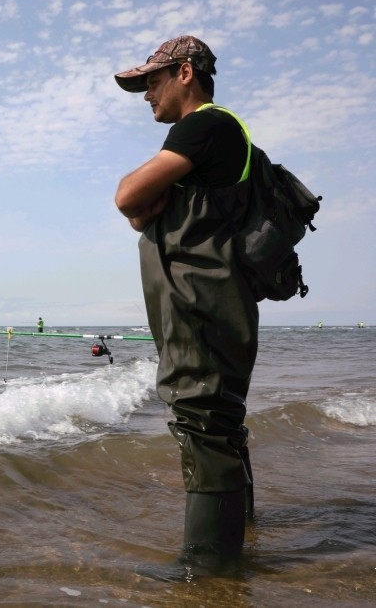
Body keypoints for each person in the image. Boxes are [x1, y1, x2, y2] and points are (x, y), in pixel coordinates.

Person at [113, 35, 258, 567]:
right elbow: (139, 213)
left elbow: (128, 199)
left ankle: (208, 575)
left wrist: (145, 194)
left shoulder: (204, 126)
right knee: (221, 422)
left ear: (185, 74)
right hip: (214, 302)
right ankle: (239, 547)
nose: (146, 94)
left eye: (152, 81)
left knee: (203, 422)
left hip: (203, 304)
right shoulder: (217, 137)